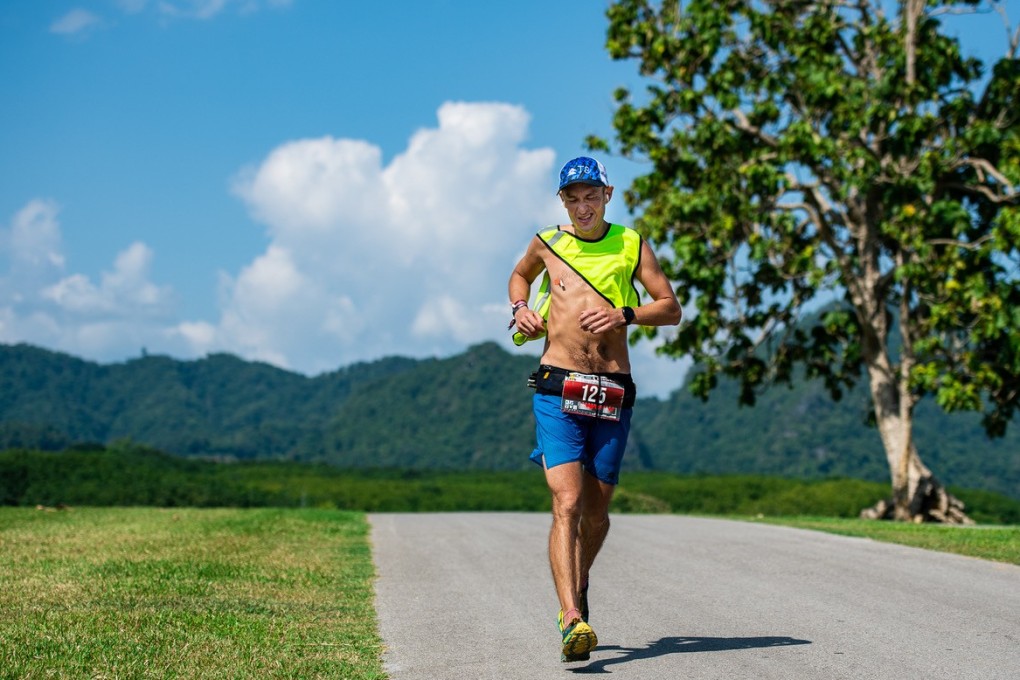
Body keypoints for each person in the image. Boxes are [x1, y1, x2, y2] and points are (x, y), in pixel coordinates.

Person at [507, 156, 682, 662]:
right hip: (557, 386)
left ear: (608, 194)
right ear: (562, 201)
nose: (582, 206)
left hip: (611, 388)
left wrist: (623, 313)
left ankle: (579, 580)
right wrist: (520, 309)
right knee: (566, 503)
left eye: (591, 196)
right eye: (572, 198)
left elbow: (669, 307)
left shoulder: (631, 244)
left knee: (597, 512)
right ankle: (571, 618)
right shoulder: (548, 242)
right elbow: (519, 277)